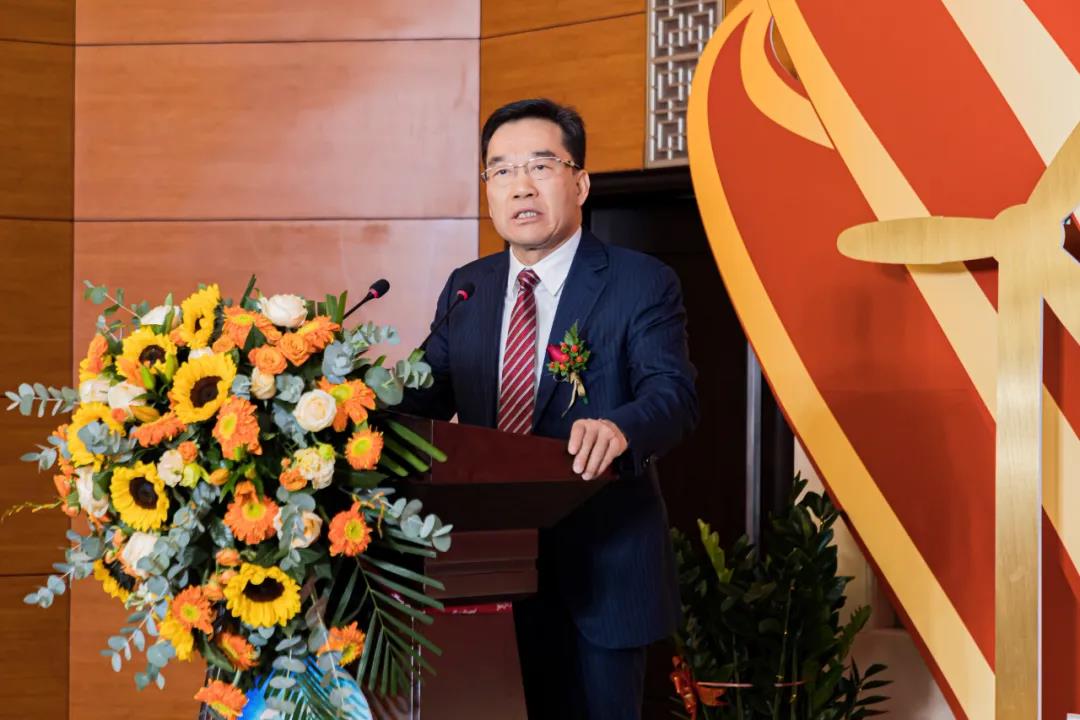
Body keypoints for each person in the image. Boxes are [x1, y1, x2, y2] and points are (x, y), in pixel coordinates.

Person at [402, 98, 698, 719]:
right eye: (501, 170)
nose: (521, 186)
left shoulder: (639, 282)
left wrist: (620, 426)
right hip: (485, 570)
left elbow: (673, 395)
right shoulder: (468, 287)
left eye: (540, 165)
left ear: (580, 183)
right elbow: (422, 395)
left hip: (602, 568)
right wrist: (337, 403)